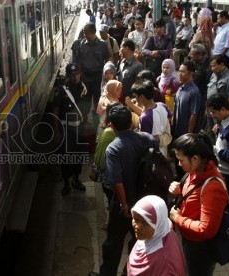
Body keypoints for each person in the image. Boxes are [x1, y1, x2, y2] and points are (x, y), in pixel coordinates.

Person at [89, 104, 158, 276]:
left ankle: (108, 273)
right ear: (131, 122)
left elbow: (116, 182)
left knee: (113, 242)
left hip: (124, 204)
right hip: (145, 201)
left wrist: (124, 204)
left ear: (111, 125)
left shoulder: (114, 148)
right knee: (139, 243)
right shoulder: (147, 138)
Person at [168, 132, 229, 276]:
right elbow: (193, 194)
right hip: (189, 238)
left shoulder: (213, 187)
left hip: (200, 248)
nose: (179, 164)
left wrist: (177, 218)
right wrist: (179, 189)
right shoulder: (196, 170)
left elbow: (206, 229)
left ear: (195, 158)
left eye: (181, 160)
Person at [52, 63, 88, 196]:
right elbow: (55, 111)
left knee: (78, 156)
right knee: (66, 158)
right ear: (68, 76)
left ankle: (76, 179)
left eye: (77, 74)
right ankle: (66, 183)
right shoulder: (62, 90)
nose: (76, 77)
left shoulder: (83, 87)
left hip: (79, 128)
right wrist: (56, 131)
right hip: (66, 129)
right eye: (72, 75)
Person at [127, 195, 185, 276]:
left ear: (158, 224)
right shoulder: (155, 234)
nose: (137, 226)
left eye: (145, 223)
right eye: (135, 219)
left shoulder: (166, 266)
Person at [73, 23, 111, 119]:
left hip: (99, 78)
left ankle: (97, 122)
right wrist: (79, 74)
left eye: (86, 33)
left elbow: (109, 58)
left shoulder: (103, 45)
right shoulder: (81, 45)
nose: (84, 35)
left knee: (98, 102)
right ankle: (84, 121)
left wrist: (108, 71)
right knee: (85, 102)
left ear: (93, 33)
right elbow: (79, 61)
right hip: (86, 78)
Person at [132, 80, 173, 157]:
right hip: (163, 152)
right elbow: (170, 117)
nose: (135, 99)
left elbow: (144, 141)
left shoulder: (145, 117)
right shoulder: (162, 106)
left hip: (153, 157)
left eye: (136, 96)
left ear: (142, 97)